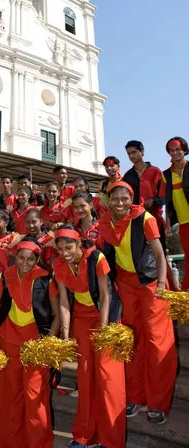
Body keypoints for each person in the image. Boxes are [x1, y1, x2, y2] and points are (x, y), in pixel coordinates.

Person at [99, 181, 177, 423]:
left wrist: (163, 286)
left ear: (131, 199)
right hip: (126, 285)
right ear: (108, 201)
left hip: (151, 283)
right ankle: (136, 397)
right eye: (115, 199)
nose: (120, 203)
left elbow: (159, 253)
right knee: (132, 341)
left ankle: (157, 402)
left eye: (125, 198)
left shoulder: (145, 219)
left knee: (157, 341)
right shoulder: (105, 223)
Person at [53, 226, 126, 448]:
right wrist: (66, 335)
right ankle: (84, 435)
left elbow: (105, 296)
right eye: (60, 249)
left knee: (108, 379)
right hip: (81, 320)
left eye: (68, 248)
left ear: (78, 244)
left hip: (105, 319)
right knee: (84, 378)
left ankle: (111, 440)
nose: (64, 253)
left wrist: (103, 329)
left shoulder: (96, 257)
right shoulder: (59, 265)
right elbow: (64, 301)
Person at [0, 240, 60, 448]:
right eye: (21, 258)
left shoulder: (46, 280)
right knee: (10, 399)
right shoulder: (4, 276)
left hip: (36, 347)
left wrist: (46, 342)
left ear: (37, 260)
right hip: (8, 343)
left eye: (30, 259)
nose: (25, 263)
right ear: (14, 257)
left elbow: (57, 316)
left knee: (36, 400)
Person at [161, 136, 189, 291]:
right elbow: (168, 201)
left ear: (184, 150)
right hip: (183, 222)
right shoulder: (166, 175)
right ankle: (186, 290)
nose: (175, 153)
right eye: (172, 150)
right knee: (188, 256)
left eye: (178, 149)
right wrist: (168, 222)